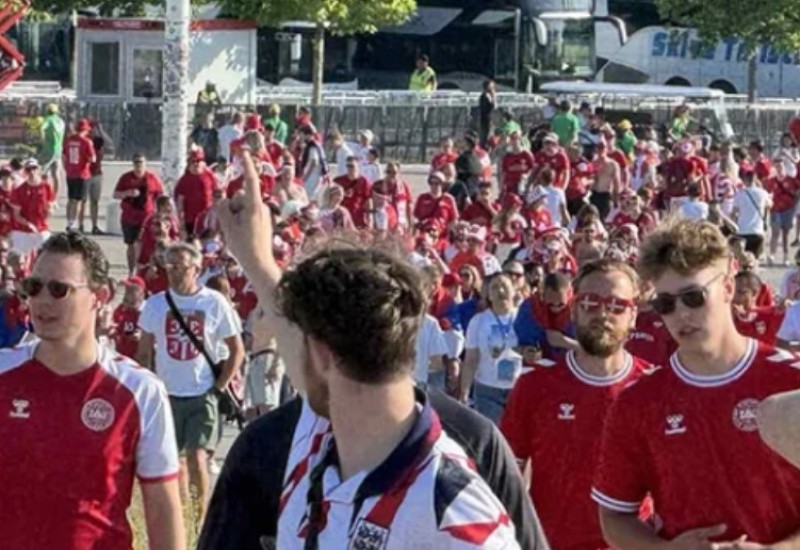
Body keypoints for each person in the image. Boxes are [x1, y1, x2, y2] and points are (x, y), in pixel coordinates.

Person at [205, 150, 523, 548]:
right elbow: (302, 347)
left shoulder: (455, 517)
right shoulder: (325, 437)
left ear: (322, 355)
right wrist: (255, 260)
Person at [593, 218, 800, 548]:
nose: (680, 314)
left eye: (693, 297)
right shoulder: (638, 401)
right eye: (665, 304)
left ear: (729, 287)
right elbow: (615, 517)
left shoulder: (791, 380)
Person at [0, 232, 184, 549]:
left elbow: (162, 507)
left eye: (59, 290)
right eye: (33, 287)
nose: (42, 300)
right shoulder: (4, 372)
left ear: (99, 296)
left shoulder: (140, 391)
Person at [501, 259, 648, 550]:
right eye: (590, 302)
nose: (603, 313)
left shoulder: (655, 389)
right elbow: (507, 482)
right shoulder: (534, 387)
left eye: (616, 305)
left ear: (633, 315)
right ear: (574, 309)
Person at [137, 242, 245, 520]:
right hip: (167, 393)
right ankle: (181, 517)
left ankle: (199, 519)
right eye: (170, 266)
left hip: (202, 392)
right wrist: (144, 389)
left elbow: (237, 350)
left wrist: (218, 388)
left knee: (198, 457)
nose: (174, 273)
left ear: (196, 269)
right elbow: (145, 351)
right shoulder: (155, 304)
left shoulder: (213, 302)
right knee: (173, 461)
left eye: (181, 267)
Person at [461, 273, 523, 424]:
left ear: (514, 291)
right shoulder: (478, 321)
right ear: (488, 295)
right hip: (487, 389)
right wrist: (464, 391)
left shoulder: (523, 317)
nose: (500, 291)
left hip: (519, 389)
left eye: (504, 286)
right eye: (495, 287)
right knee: (495, 437)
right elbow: (471, 359)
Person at [113, 154, 165, 275]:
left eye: (141, 163)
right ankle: (131, 271)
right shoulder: (126, 178)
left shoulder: (152, 178)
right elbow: (115, 194)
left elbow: (160, 196)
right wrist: (127, 193)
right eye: (136, 163)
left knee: (142, 244)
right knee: (131, 245)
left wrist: (159, 213)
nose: (138, 165)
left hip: (146, 218)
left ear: (145, 164)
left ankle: (140, 270)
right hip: (129, 217)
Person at [9, 158, 56, 257]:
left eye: (34, 168)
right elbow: (16, 215)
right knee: (18, 258)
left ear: (38, 169)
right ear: (25, 171)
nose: (32, 172)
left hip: (41, 228)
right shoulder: (19, 190)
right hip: (22, 230)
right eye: (28, 169)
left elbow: (50, 205)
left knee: (45, 255)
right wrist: (28, 224)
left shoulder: (46, 187)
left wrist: (50, 210)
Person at [62, 118, 97, 232]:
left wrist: (66, 168)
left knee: (71, 199)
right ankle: (74, 223)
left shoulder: (68, 140)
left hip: (70, 173)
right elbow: (93, 159)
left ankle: (69, 222)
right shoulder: (87, 142)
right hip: (82, 174)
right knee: (79, 200)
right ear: (85, 130)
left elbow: (64, 156)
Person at [764, 160, 800, 265]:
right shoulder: (771, 181)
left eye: (781, 166)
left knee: (786, 234)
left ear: (785, 167)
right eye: (777, 167)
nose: (779, 169)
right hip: (775, 209)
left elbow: (797, 193)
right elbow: (767, 193)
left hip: (788, 210)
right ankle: (772, 255)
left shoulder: (792, 180)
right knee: (775, 232)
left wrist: (794, 204)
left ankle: (786, 256)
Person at [174, 149, 216, 238]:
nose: (196, 163)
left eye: (198, 161)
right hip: (190, 220)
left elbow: (216, 194)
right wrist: (182, 224)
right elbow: (179, 203)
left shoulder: (209, 175)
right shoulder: (184, 180)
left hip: (207, 220)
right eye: (193, 161)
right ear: (189, 163)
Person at [731, 167, 772, 259]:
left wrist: (732, 226)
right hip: (757, 231)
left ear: (745, 180)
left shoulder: (739, 194)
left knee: (741, 259)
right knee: (754, 260)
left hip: (742, 231)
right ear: (755, 179)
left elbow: (733, 213)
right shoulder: (763, 193)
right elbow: (769, 206)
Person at [39, 103, 65, 200]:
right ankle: (54, 196)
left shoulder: (48, 119)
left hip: (49, 149)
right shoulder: (61, 121)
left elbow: (41, 128)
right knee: (56, 174)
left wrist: (43, 140)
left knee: (42, 171)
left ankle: (43, 194)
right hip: (58, 149)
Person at [85, 121, 106, 234]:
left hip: (97, 173)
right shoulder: (84, 141)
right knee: (82, 201)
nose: (92, 131)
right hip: (85, 174)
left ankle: (94, 225)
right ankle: (80, 225)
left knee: (95, 201)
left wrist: (101, 131)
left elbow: (107, 143)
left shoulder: (98, 141)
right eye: (90, 129)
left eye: (94, 129)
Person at [478, 79, 497, 148]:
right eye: (491, 86)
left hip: (489, 120)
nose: (493, 88)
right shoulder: (484, 96)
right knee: (486, 138)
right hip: (486, 121)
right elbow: (490, 108)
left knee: (490, 138)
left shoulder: (489, 96)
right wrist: (493, 98)